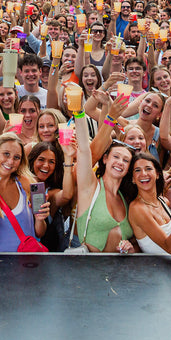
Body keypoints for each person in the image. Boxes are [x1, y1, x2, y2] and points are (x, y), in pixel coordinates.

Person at [71, 92, 134, 252]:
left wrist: (130, 247)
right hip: (90, 266)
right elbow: (84, 150)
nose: (120, 162)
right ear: (105, 159)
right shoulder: (90, 186)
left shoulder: (126, 197)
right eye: (116, 157)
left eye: (126, 160)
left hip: (121, 268)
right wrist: (79, 110)